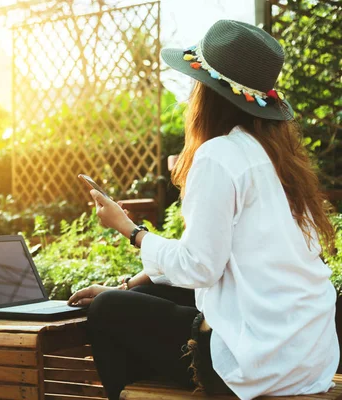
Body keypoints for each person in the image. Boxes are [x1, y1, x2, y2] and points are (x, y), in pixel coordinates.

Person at [67, 20, 339, 400]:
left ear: (207, 93)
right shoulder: (279, 160)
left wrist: (130, 230)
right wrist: (130, 285)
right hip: (306, 357)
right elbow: (214, 255)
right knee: (128, 298)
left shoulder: (218, 155)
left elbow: (199, 267)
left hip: (260, 364)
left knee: (108, 312)